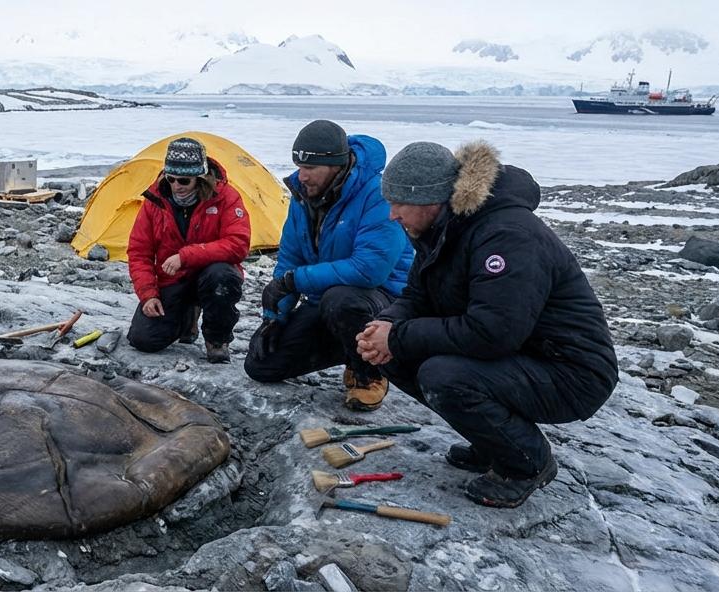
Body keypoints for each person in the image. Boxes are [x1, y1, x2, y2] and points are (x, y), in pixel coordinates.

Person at [356, 141, 617, 508]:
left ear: (431, 200)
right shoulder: (439, 230)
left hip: (571, 372)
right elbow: (417, 296)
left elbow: (493, 333)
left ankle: (527, 464)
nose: (392, 215)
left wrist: (397, 336)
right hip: (522, 357)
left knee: (442, 375)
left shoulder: (507, 235)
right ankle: (493, 442)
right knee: (395, 356)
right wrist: (384, 327)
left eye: (399, 203)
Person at [244, 120, 413, 412]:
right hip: (326, 303)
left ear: (337, 165)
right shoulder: (302, 196)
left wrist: (293, 281)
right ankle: (349, 345)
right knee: (262, 365)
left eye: (310, 168)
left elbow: (368, 269)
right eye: (299, 165)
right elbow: (290, 258)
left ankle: (369, 373)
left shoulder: (377, 194)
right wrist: (275, 316)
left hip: (383, 301)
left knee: (342, 299)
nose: (302, 175)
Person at [125, 137, 251, 363]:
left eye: (183, 181)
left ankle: (217, 339)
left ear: (200, 178)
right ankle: (187, 317)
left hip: (210, 277)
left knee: (222, 276)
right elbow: (139, 252)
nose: (176, 186)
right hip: (173, 280)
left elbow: (238, 244)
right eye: (171, 179)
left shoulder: (226, 197)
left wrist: (186, 256)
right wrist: (148, 295)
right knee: (143, 339)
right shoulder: (156, 200)